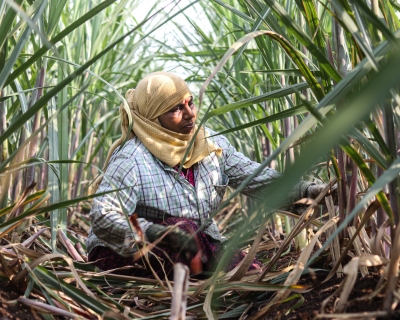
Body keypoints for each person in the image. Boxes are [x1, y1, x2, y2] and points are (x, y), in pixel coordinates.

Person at [86, 72, 326, 278]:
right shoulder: (132, 159)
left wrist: (306, 190)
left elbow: (253, 177)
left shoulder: (210, 145)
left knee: (249, 272)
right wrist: (149, 232)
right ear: (152, 117)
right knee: (184, 230)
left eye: (190, 103)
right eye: (176, 109)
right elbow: (104, 215)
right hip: (123, 253)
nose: (190, 114)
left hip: (195, 244)